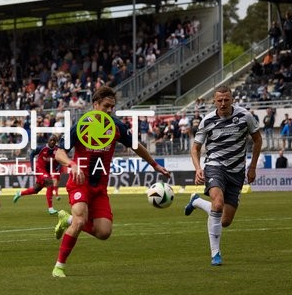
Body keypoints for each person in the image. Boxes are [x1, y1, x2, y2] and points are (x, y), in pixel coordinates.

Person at [50, 85, 170, 278]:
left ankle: (67, 219)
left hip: (99, 187)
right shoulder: (81, 124)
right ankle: (59, 267)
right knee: (81, 219)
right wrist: (72, 164)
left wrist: (154, 165)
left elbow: (136, 146)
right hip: (80, 181)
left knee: (104, 232)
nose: (109, 110)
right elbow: (58, 152)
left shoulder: (116, 126)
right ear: (95, 105)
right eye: (106, 106)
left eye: (112, 107)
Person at [184, 85, 262, 266]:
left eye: (226, 99)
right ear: (214, 101)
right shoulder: (207, 120)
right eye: (219, 100)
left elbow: (257, 140)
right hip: (215, 166)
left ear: (232, 99)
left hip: (237, 171)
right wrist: (198, 168)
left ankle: (196, 201)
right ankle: (215, 253)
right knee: (217, 205)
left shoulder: (245, 117)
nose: (223, 103)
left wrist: (252, 167)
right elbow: (195, 148)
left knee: (225, 221)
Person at [13, 134, 62, 215]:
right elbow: (32, 154)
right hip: (39, 169)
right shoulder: (41, 148)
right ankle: (50, 208)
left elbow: (60, 159)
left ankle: (20, 193)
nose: (52, 142)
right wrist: (32, 165)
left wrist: (59, 166)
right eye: (51, 140)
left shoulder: (57, 150)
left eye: (54, 140)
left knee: (36, 189)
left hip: (47, 171)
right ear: (48, 141)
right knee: (50, 183)